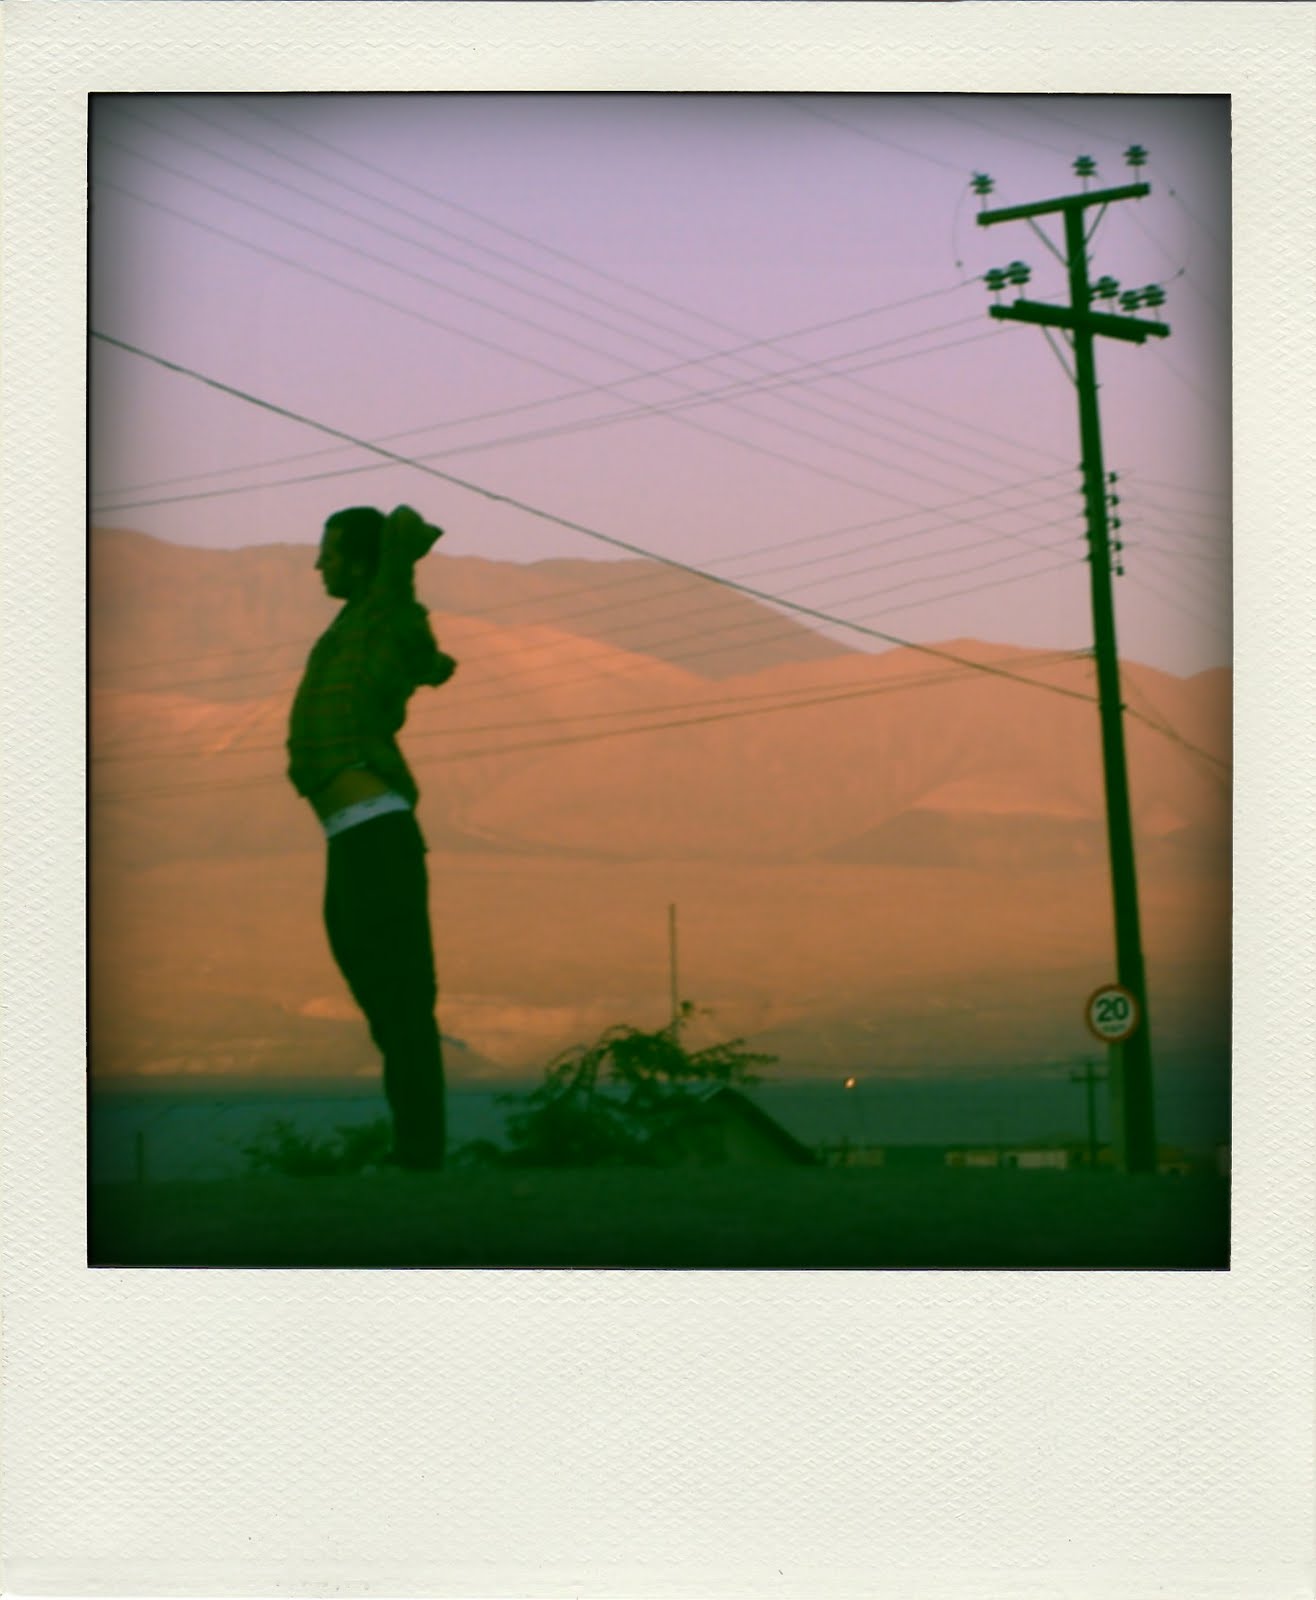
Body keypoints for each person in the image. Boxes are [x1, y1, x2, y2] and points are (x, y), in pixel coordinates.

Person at [287, 504, 457, 1170]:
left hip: (378, 837)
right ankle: (413, 1143)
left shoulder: (386, 609)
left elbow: (404, 531)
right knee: (381, 994)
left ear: (363, 564)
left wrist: (392, 557)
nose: (318, 564)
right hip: (350, 840)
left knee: (403, 997)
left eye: (329, 553)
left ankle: (419, 1151)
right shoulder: (355, 624)